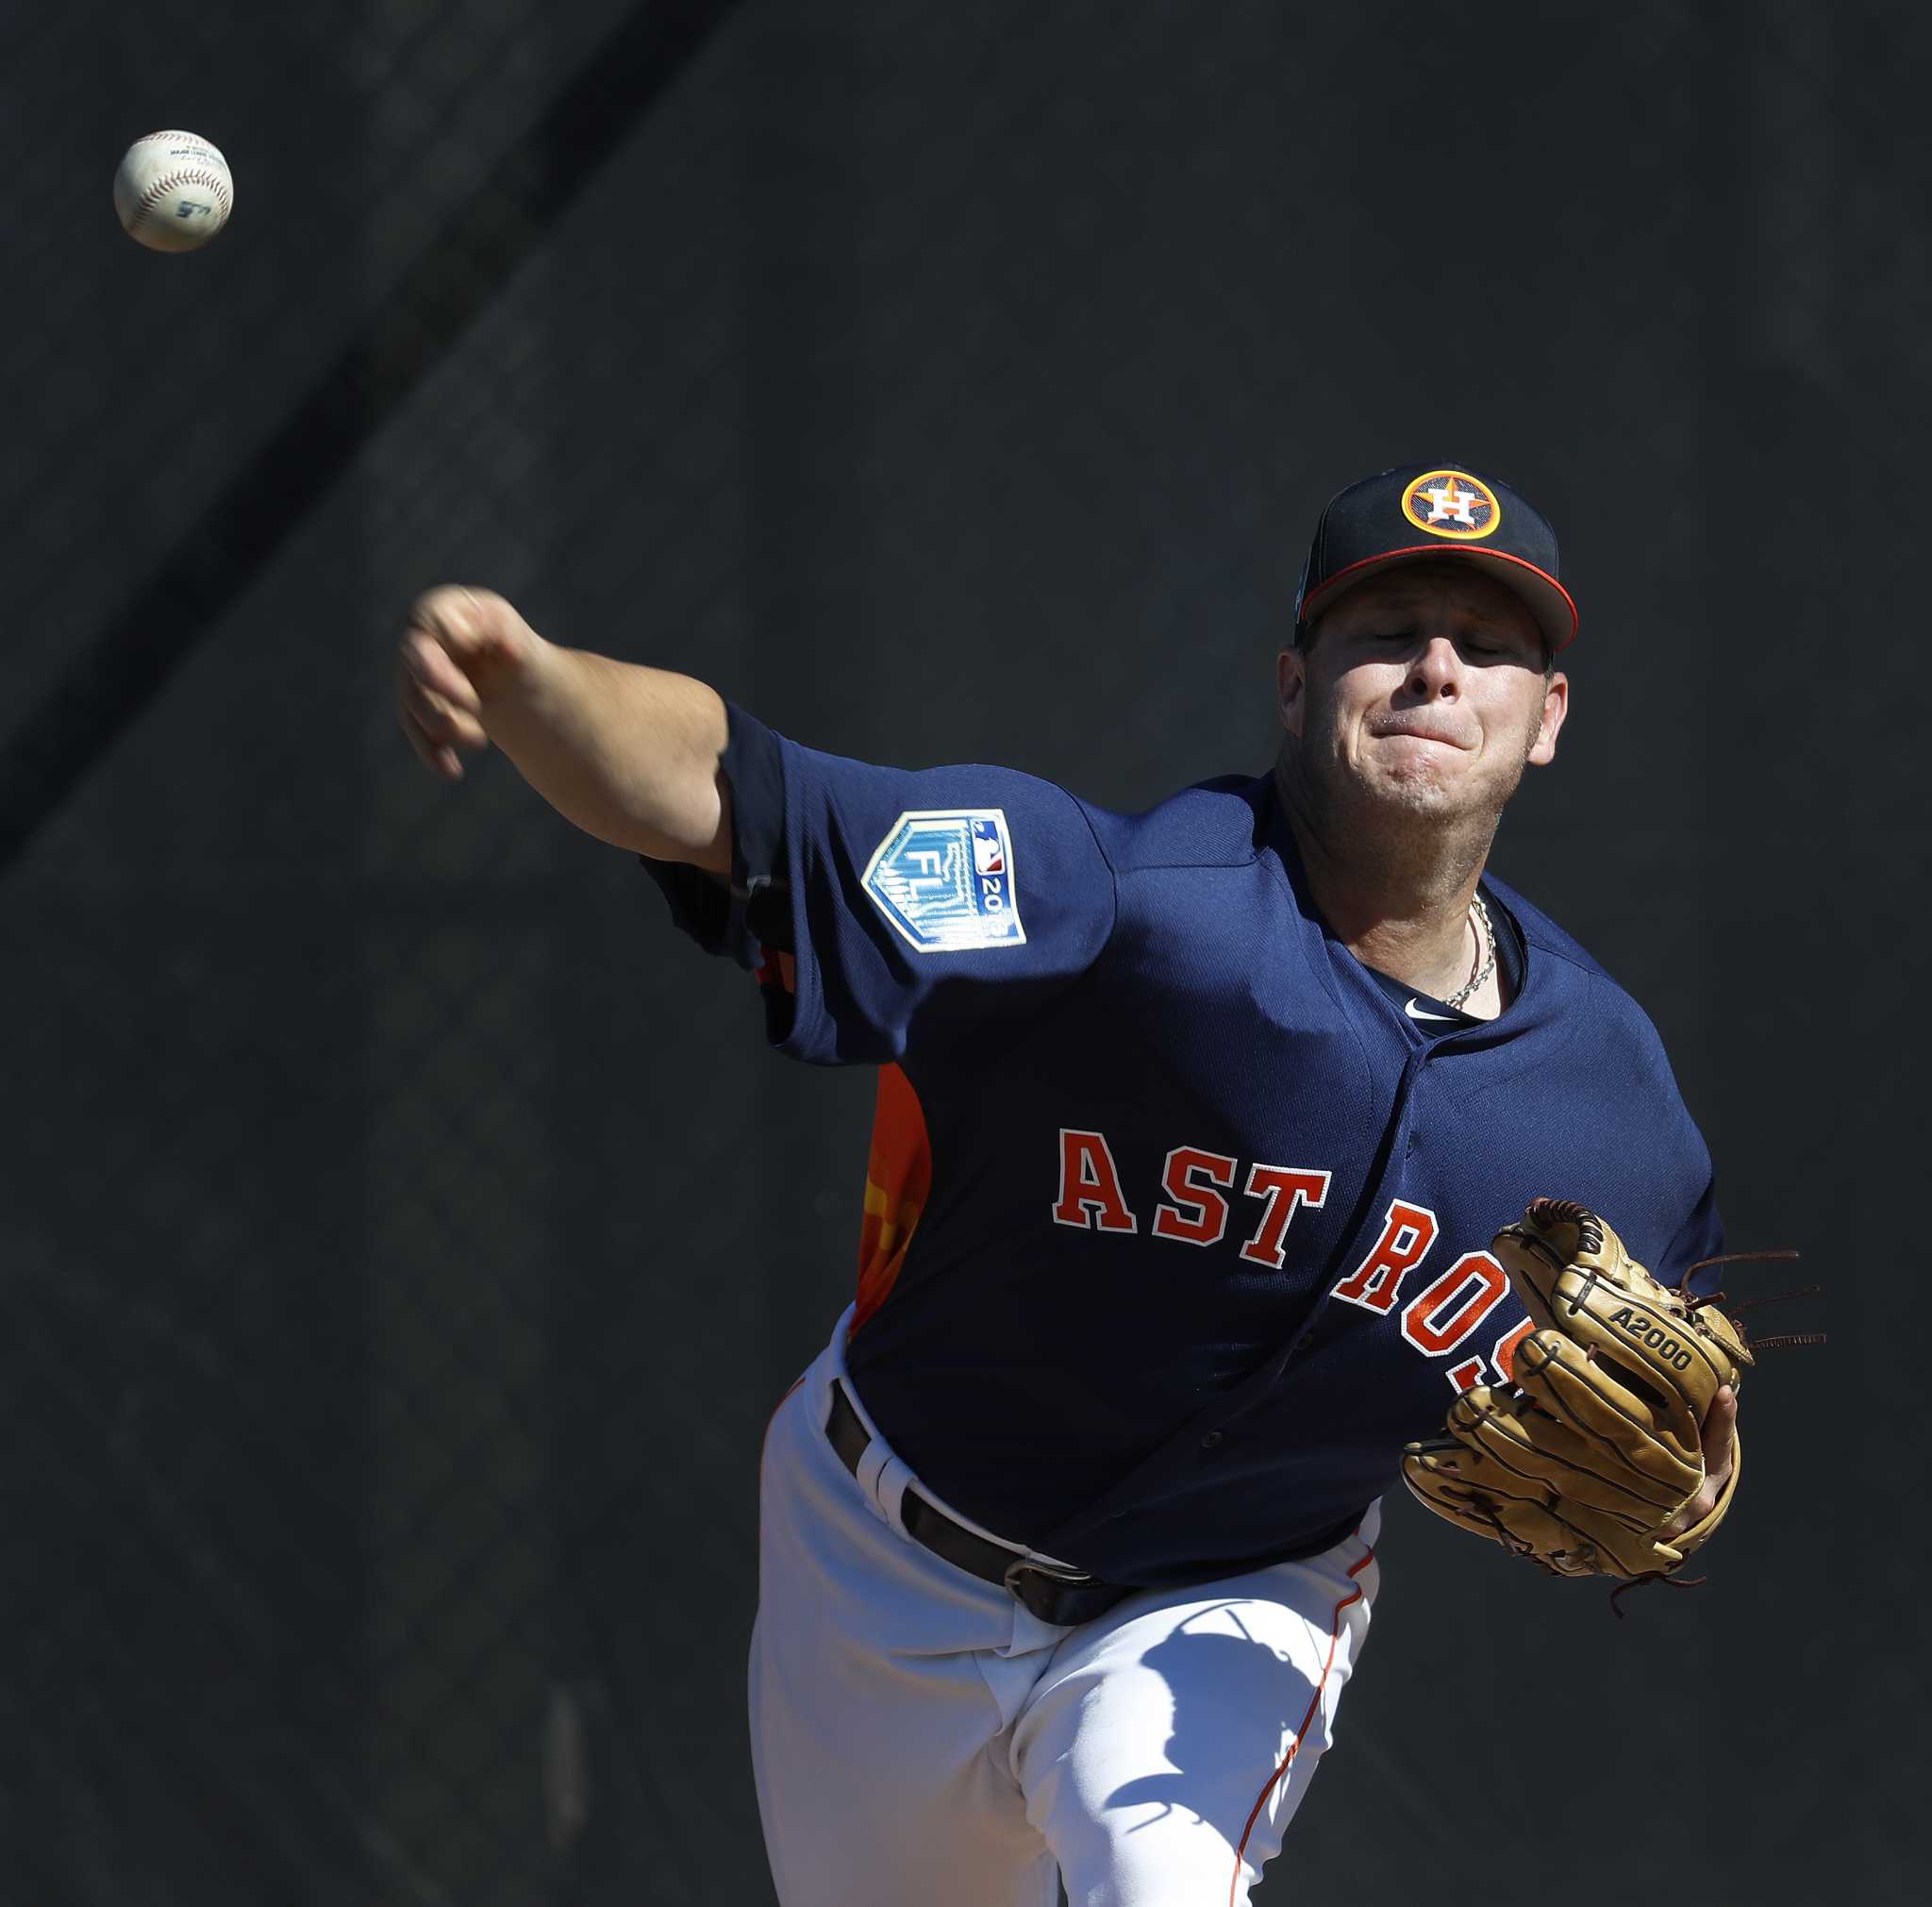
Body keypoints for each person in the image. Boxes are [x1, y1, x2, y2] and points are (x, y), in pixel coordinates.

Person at [395, 463, 1739, 1906]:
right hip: (882, 1566)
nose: (1433, 667)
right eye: (1386, 629)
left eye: (1486, 644)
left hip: (1231, 1601)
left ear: (1546, 718)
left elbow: (1673, 1368)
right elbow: (749, 800)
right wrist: (539, 683)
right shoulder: (1124, 903)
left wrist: (1706, 1437)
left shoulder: (1613, 1113)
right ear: (1295, 684)